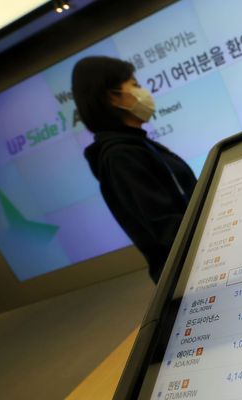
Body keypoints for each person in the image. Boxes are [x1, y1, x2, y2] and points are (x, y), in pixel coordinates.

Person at [72, 56, 196, 283]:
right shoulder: (121, 156)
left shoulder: (138, 145)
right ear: (113, 97)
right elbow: (166, 227)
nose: (143, 92)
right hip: (188, 271)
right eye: (135, 85)